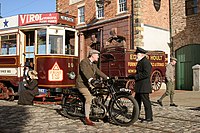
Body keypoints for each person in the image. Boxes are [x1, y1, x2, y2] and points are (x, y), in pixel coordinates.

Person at [76, 49, 109, 126]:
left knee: (100, 94)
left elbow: (98, 72)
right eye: (97, 55)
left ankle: (100, 113)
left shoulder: (93, 64)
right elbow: (85, 71)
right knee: (89, 97)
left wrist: (107, 78)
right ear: (92, 55)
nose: (98, 56)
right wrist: (90, 79)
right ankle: (87, 118)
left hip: (89, 84)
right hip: (82, 84)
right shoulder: (84, 62)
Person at [129, 47, 153, 122]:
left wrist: (135, 76)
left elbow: (146, 74)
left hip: (144, 86)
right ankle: (135, 116)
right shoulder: (141, 61)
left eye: (137, 54)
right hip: (139, 86)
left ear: (141, 55)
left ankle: (149, 117)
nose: (136, 56)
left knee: (146, 102)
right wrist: (133, 76)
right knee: (136, 102)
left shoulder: (145, 62)